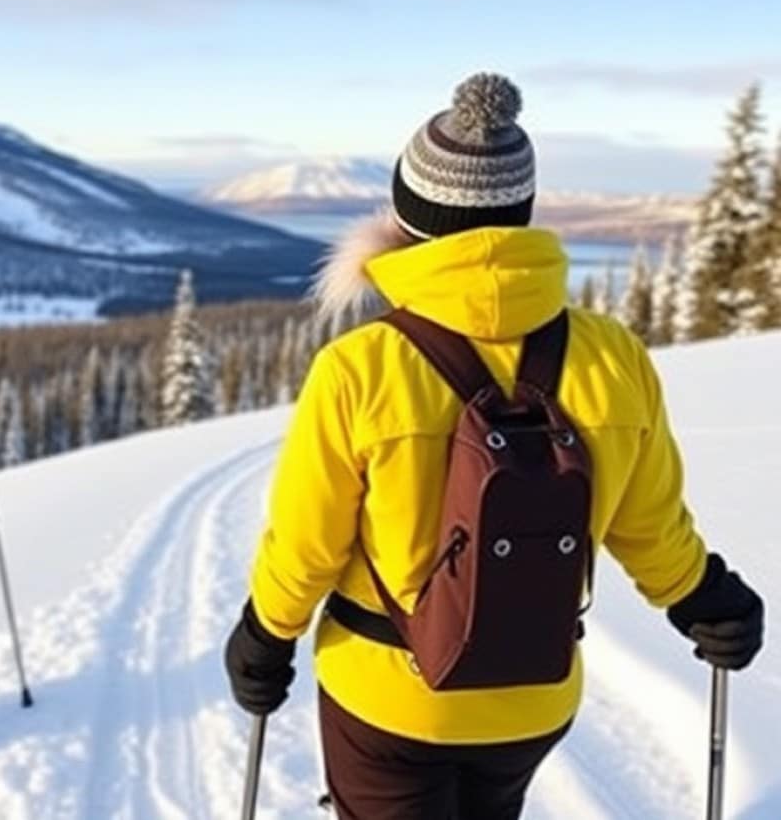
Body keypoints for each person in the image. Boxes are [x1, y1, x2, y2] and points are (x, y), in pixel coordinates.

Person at [224, 73, 765, 819]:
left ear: (408, 216)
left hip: (389, 697)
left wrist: (264, 635)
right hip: (532, 698)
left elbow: (307, 544)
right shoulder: (613, 355)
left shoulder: (360, 366)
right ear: (522, 212)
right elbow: (650, 526)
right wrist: (703, 597)